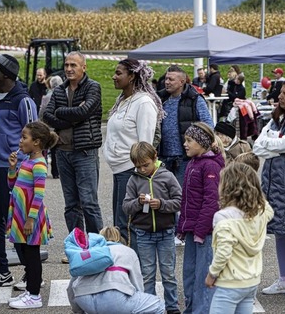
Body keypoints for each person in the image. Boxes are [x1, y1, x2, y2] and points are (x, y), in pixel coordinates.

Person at [0, 54, 37, 289]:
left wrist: (25, 166)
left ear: (5, 74)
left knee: (18, 223)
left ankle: (31, 273)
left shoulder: (23, 101)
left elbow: (35, 134)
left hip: (13, 171)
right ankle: (1, 270)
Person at [43, 52, 103, 237]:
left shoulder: (93, 87)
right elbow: (47, 115)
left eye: (73, 65)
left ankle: (96, 245)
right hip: (62, 152)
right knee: (71, 204)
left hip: (84, 152)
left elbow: (84, 112)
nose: (69, 69)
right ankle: (78, 245)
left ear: (83, 67)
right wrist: (72, 116)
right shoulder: (60, 90)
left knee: (88, 202)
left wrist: (62, 112)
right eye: (67, 65)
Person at [104, 58, 164, 242]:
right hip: (118, 169)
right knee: (119, 222)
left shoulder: (144, 103)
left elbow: (145, 144)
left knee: (126, 225)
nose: (114, 77)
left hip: (131, 170)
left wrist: (141, 173)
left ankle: (133, 267)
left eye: (119, 73)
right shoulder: (122, 100)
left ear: (132, 76)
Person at [205, 162, 274, 314]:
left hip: (230, 283)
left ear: (227, 187)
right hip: (251, 281)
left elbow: (224, 252)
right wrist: (256, 195)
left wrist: (212, 274)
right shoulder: (260, 213)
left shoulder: (223, 217)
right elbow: (268, 208)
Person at [123, 142, 181, 314]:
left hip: (166, 232)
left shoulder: (167, 176)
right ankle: (150, 307)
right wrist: (138, 203)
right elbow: (126, 207)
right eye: (138, 166)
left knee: (168, 273)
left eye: (145, 165)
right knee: (147, 274)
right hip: (143, 233)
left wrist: (162, 204)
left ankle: (172, 307)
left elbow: (179, 201)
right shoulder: (133, 180)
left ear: (155, 157)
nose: (142, 169)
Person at [6, 121, 56, 309]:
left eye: (24, 137)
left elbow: (39, 194)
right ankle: (30, 289)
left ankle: (34, 296)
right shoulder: (26, 160)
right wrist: (12, 168)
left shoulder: (39, 165)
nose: (20, 141)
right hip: (20, 214)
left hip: (30, 217)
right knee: (22, 250)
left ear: (36, 142)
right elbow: (13, 186)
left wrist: (30, 219)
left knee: (31, 255)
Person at [177, 122, 225, 314]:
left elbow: (212, 201)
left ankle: (202, 310)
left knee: (202, 277)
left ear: (202, 142)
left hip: (204, 233)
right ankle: (191, 309)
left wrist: (200, 230)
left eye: (189, 140)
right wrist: (182, 227)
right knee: (189, 274)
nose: (185, 144)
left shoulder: (210, 166)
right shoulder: (192, 163)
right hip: (192, 230)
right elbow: (186, 200)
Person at [67, 226, 165, 314]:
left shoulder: (90, 253)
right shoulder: (128, 251)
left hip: (84, 299)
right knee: (159, 305)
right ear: (119, 238)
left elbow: (71, 287)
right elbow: (137, 283)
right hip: (114, 298)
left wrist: (78, 310)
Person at [253, 79, 285, 296]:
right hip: (273, 182)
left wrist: (273, 144)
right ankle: (284, 278)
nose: (281, 96)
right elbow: (257, 145)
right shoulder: (277, 119)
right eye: (281, 92)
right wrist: (274, 144)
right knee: (280, 231)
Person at [157, 65, 214, 189]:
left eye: (171, 79)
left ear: (182, 81)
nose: (166, 82)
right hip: (163, 158)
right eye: (166, 79)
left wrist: (199, 149)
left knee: (183, 196)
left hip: (185, 159)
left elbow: (208, 126)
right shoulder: (160, 99)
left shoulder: (194, 99)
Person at [39, 75, 63, 180]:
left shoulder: (46, 97)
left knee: (46, 150)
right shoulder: (64, 95)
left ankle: (44, 170)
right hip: (59, 127)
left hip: (48, 126)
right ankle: (56, 171)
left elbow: (41, 112)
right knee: (57, 151)